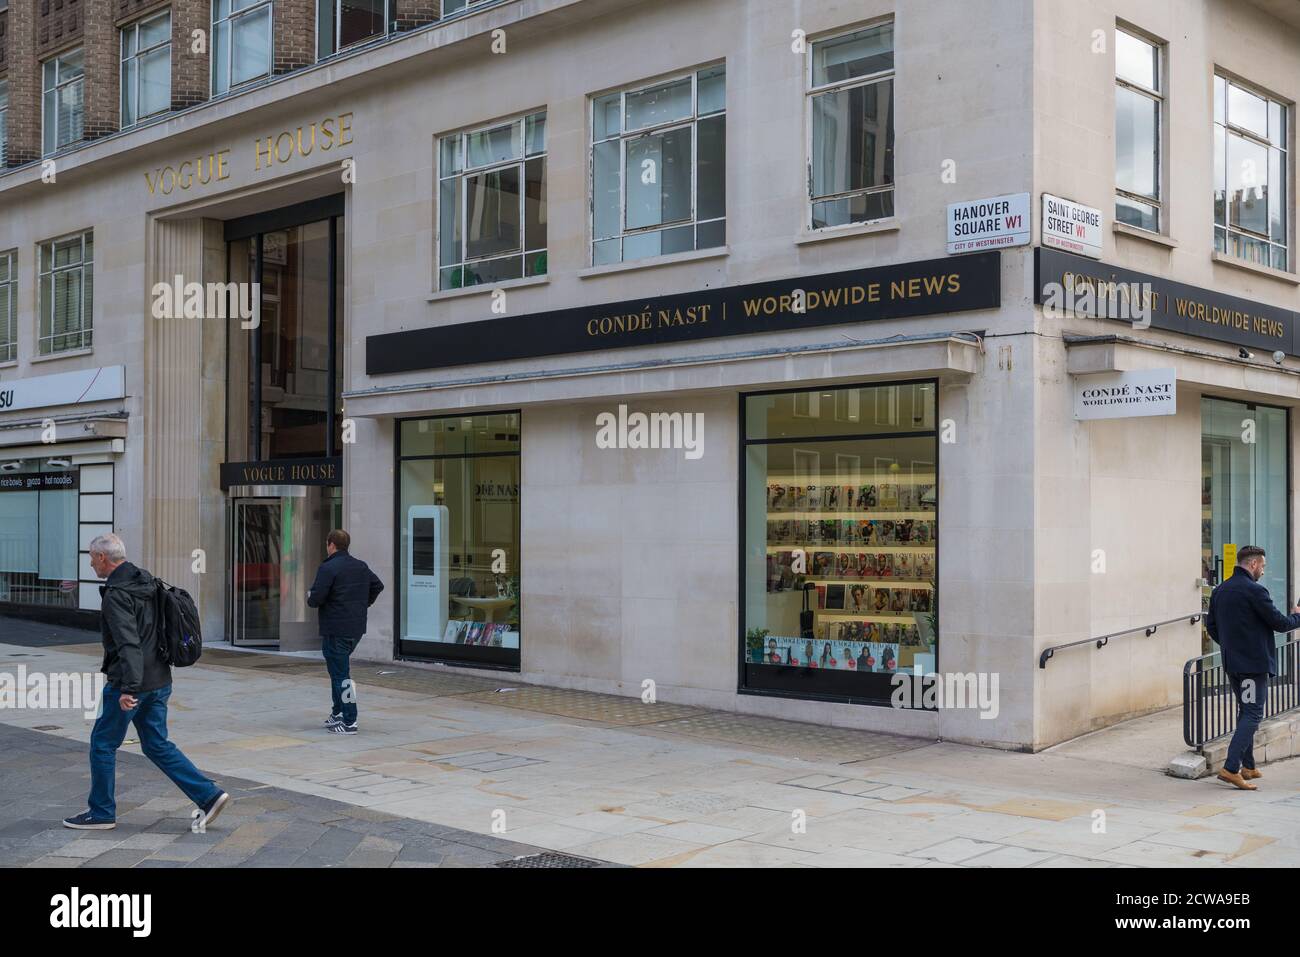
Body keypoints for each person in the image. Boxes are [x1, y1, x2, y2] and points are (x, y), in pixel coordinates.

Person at [64, 534, 229, 830]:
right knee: (156, 744)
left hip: (131, 683)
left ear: (103, 558)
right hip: (160, 678)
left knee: (102, 743)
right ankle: (209, 795)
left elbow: (129, 643)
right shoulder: (148, 581)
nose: (90, 563)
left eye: (92, 558)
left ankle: (101, 812)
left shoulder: (117, 593)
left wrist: (128, 689)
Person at [1205, 544, 1300, 790]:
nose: (1264, 571)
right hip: (1251, 666)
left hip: (1233, 663)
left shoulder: (1220, 590)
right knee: (1253, 713)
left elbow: (1212, 626)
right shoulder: (1255, 591)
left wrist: (1231, 646)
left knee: (1245, 711)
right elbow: (1280, 623)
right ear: (1254, 564)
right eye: (1263, 566)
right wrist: (1298, 616)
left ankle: (1248, 766)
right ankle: (1231, 768)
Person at [308, 529, 384, 735]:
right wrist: (362, 604)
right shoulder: (360, 566)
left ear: (331, 544)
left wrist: (310, 595)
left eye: (327, 544)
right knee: (337, 671)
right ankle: (338, 712)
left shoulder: (328, 568)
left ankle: (350, 720)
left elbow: (316, 598)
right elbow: (378, 585)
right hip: (355, 628)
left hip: (335, 629)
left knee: (341, 675)